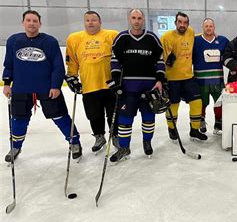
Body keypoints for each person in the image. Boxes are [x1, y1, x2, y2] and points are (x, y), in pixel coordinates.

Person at [2, 10, 82, 162]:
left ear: (40, 23)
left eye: (35, 21)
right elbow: (9, 64)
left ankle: (75, 142)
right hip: (21, 87)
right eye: (28, 20)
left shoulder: (49, 41)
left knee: (60, 116)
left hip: (46, 87)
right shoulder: (14, 40)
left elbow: (58, 66)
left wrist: (56, 86)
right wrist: (7, 83)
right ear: (23, 23)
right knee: (19, 119)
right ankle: (15, 146)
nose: (32, 23)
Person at [107, 9, 165, 162]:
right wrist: (115, 80)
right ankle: (124, 148)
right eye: (134, 18)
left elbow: (160, 61)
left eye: (139, 18)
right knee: (125, 120)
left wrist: (159, 80)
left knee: (148, 117)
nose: (137, 21)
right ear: (129, 19)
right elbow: (114, 61)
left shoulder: (152, 38)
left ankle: (147, 142)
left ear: (143, 19)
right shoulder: (122, 38)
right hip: (128, 87)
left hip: (148, 86)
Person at [65, 11, 118, 153]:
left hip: (110, 85)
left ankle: (115, 136)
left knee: (113, 113)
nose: (90, 22)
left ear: (100, 22)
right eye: (87, 20)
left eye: (94, 20)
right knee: (94, 115)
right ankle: (99, 136)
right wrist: (72, 77)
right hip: (89, 85)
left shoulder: (111, 35)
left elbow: (119, 57)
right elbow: (72, 61)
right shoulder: (74, 38)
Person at [161, 12, 207, 141]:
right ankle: (171, 128)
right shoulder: (166, 37)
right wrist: (167, 60)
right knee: (173, 105)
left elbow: (197, 38)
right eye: (180, 22)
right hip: (172, 79)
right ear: (175, 23)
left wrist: (210, 35)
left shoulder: (190, 32)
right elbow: (160, 58)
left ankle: (194, 129)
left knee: (197, 102)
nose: (182, 25)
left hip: (188, 76)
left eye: (185, 23)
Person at [192, 18, 229, 135]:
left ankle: (218, 122)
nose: (208, 28)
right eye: (206, 26)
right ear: (202, 27)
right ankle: (201, 120)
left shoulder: (223, 40)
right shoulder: (195, 40)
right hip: (200, 80)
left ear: (214, 27)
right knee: (201, 103)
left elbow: (230, 53)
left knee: (219, 102)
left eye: (210, 26)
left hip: (217, 80)